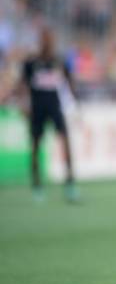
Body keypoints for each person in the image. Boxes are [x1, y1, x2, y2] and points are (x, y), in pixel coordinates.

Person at [18, 26, 78, 202]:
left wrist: (74, 104)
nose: (48, 43)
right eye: (45, 39)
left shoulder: (58, 61)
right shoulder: (31, 63)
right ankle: (37, 186)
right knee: (35, 146)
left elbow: (70, 81)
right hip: (37, 109)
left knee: (65, 142)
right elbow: (22, 85)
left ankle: (70, 183)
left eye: (50, 40)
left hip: (55, 107)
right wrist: (23, 104)